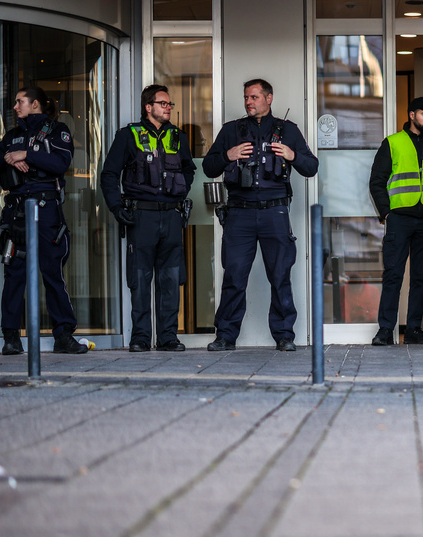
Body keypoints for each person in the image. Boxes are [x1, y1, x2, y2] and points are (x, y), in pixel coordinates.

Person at [203, 79, 318, 352]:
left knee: (280, 276)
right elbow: (208, 166)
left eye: (254, 97)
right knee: (234, 276)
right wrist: (227, 155)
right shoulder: (232, 130)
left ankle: (284, 336)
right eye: (246, 97)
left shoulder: (287, 131)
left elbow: (311, 167)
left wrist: (292, 155)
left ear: (269, 98)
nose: (248, 102)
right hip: (239, 214)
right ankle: (226, 336)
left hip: (274, 212)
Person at [0, 86, 87, 355]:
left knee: (52, 273)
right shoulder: (13, 136)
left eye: (20, 102)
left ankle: (63, 336)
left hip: (46, 209)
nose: (16, 107)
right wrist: (10, 156)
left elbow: (61, 163)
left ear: (35, 104)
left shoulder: (57, 130)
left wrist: (27, 155)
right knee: (15, 274)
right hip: (17, 212)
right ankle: (11, 337)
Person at [101, 84, 196, 352]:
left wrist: (180, 190)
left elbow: (189, 169)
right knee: (140, 279)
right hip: (141, 216)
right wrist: (116, 207)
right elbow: (109, 174)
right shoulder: (128, 135)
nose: (168, 108)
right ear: (148, 107)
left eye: (169, 104)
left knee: (170, 279)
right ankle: (141, 337)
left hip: (172, 216)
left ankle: (168, 337)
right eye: (163, 103)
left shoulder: (178, 136)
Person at [367, 97, 423, 346]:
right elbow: (377, 180)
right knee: (393, 275)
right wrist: (386, 212)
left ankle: (413, 329)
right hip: (399, 218)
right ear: (411, 115)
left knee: (421, 277)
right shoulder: (393, 142)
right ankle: (386, 330)